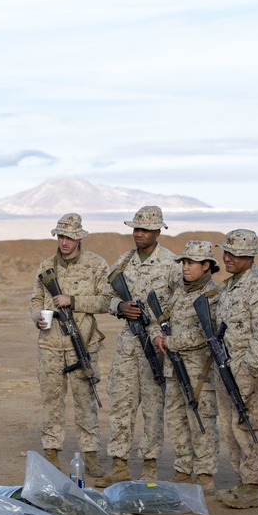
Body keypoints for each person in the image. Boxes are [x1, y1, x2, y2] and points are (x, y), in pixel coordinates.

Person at [97, 206, 183, 485]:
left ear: (158, 232)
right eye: (136, 229)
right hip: (127, 344)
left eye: (145, 229)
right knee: (121, 403)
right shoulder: (123, 262)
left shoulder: (171, 264)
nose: (139, 234)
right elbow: (105, 297)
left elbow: (179, 303)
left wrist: (160, 326)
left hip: (156, 344)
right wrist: (120, 306)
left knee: (153, 407)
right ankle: (119, 463)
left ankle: (150, 464)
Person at [29, 213, 110, 475]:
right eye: (61, 236)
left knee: (86, 402)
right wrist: (37, 319)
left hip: (83, 344)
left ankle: (91, 456)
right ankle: (51, 454)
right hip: (50, 346)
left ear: (79, 237)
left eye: (70, 237)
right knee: (52, 401)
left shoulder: (96, 265)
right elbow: (35, 301)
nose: (64, 241)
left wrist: (72, 300)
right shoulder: (45, 266)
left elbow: (106, 302)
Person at [212, 229, 258, 509]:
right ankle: (242, 480)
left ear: (250, 256)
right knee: (229, 428)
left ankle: (253, 486)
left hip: (248, 371)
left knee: (250, 426)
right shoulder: (229, 286)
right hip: (226, 369)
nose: (228, 257)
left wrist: (249, 374)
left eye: (235, 254)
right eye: (226, 252)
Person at [148, 240, 220, 495]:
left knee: (200, 421)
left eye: (190, 263)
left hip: (198, 370)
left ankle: (204, 474)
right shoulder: (179, 289)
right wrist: (157, 334)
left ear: (207, 265)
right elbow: (161, 316)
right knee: (176, 419)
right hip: (173, 366)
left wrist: (171, 341)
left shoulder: (212, 295)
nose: (185, 268)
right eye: (183, 263)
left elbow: (204, 333)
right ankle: (182, 469)